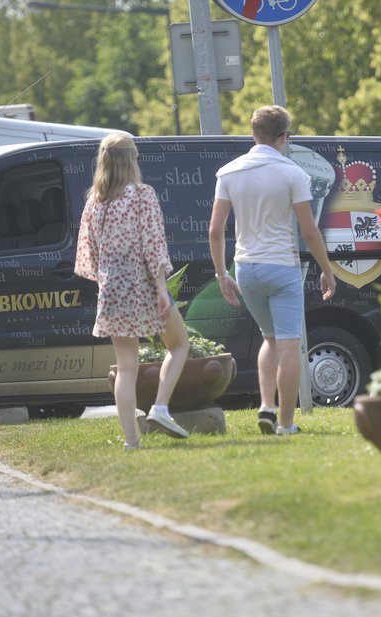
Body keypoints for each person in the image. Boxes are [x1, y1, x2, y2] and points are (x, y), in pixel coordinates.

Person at [208, 105, 336, 436]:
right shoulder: (293, 173)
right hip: (282, 267)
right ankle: (286, 423)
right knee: (290, 344)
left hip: (246, 268)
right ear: (284, 137)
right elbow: (309, 231)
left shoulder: (229, 173)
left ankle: (267, 405)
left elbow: (215, 230)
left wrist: (223, 274)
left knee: (270, 338)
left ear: (254, 134)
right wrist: (326, 270)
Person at [75, 133, 190, 450]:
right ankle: (161, 408)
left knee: (126, 367)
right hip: (143, 284)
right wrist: (162, 289)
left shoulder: (94, 202)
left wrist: (107, 280)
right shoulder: (142, 196)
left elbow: (90, 252)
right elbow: (153, 245)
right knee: (179, 344)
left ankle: (131, 442)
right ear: (130, 161)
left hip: (111, 288)